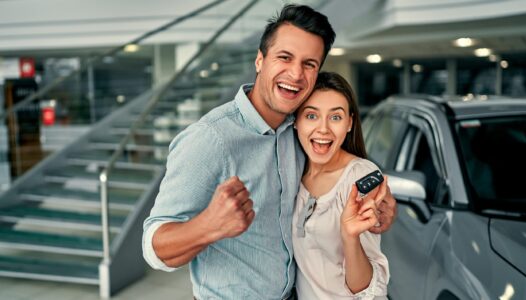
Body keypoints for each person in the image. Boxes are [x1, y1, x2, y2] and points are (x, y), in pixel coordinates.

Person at [142, 4, 396, 299]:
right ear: (260, 60)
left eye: (309, 63)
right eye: (284, 57)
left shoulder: (300, 130)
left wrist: (383, 209)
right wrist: (208, 227)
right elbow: (153, 245)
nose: (296, 74)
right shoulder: (210, 139)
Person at [292, 72, 389, 299]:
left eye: (335, 117)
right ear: (296, 121)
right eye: (311, 116)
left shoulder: (360, 177)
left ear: (349, 123)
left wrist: (350, 236)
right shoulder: (292, 171)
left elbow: (365, 290)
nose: (323, 129)